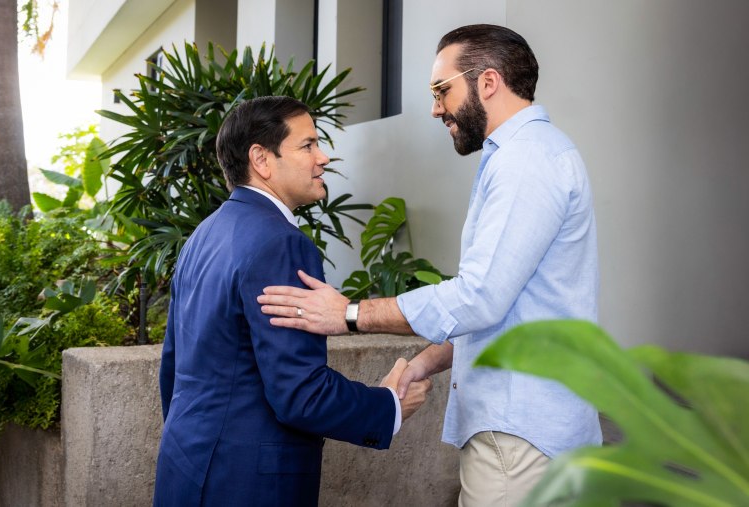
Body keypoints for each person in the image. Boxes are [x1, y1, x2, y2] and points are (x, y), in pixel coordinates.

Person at [257, 24, 602, 507]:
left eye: (442, 91)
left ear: (488, 82)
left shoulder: (526, 162)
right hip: (529, 431)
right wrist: (428, 361)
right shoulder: (529, 156)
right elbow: (513, 307)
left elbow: (479, 298)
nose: (436, 107)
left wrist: (349, 314)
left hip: (519, 435)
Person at [153, 96, 432, 507]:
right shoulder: (280, 243)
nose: (323, 158)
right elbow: (299, 394)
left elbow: (172, 369)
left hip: (185, 466)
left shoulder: (203, 235)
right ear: (261, 160)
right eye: (308, 146)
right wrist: (386, 405)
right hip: (248, 484)